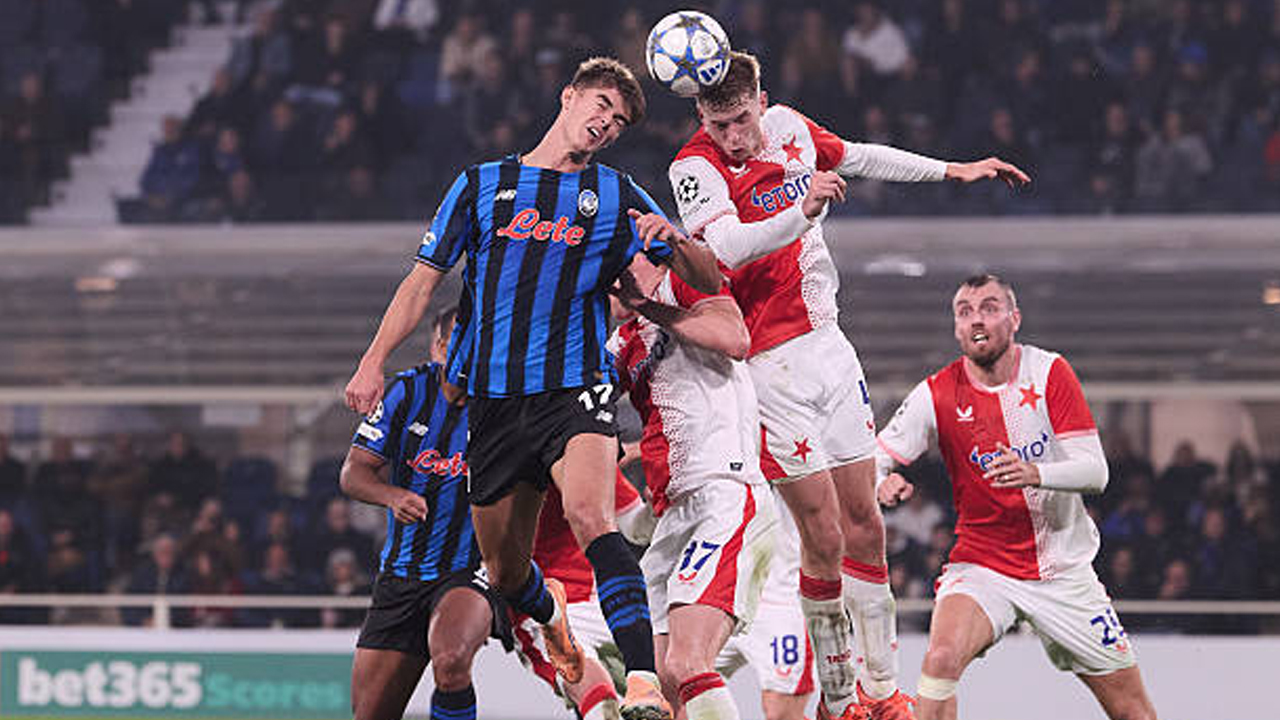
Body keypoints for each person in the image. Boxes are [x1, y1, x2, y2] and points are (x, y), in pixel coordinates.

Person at [344, 57, 721, 720]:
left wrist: (676, 239)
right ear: (569, 97)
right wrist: (374, 359)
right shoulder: (481, 186)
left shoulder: (616, 193)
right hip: (494, 406)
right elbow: (422, 283)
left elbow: (709, 277)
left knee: (590, 517)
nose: (606, 124)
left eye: (620, 121)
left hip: (573, 388)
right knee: (510, 573)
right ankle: (552, 622)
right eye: (600, 105)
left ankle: (642, 681)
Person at [666, 50, 1030, 720]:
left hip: (829, 350)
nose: (735, 137)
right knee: (823, 535)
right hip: (765, 367)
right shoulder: (693, 167)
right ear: (701, 116)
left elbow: (859, 155)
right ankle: (840, 699)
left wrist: (953, 169)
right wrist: (802, 210)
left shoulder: (791, 128)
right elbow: (724, 251)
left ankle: (882, 691)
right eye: (721, 125)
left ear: (762, 101)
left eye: (743, 119)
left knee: (865, 527)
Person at [874, 274, 1158, 720]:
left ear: (1014, 319)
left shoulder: (1048, 373)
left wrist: (1035, 473)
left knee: (1134, 713)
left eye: (989, 307)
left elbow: (1096, 472)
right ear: (956, 329)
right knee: (941, 659)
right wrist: (880, 481)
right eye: (965, 312)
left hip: (1063, 574)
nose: (976, 319)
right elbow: (875, 458)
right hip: (983, 565)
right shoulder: (937, 392)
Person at [608, 253, 777, 720]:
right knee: (657, 678)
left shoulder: (686, 286)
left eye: (616, 265)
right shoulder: (621, 344)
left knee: (687, 662)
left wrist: (648, 306)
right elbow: (582, 404)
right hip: (672, 515)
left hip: (725, 491)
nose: (608, 282)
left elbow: (735, 340)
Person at [340, 307, 513, 720]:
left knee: (451, 660)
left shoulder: (509, 406)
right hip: (401, 573)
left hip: (470, 568)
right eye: (461, 341)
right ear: (440, 348)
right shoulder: (406, 392)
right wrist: (391, 496)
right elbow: (353, 473)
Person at [513, 471, 656, 720]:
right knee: (600, 700)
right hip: (546, 609)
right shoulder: (498, 453)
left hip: (608, 599)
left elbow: (636, 528)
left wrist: (656, 510)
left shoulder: (584, 446)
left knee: (672, 692)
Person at [715, 495, 814, 720]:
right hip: (724, 600)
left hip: (778, 607)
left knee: (781, 713)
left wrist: (877, 481)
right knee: (685, 690)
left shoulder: (795, 468)